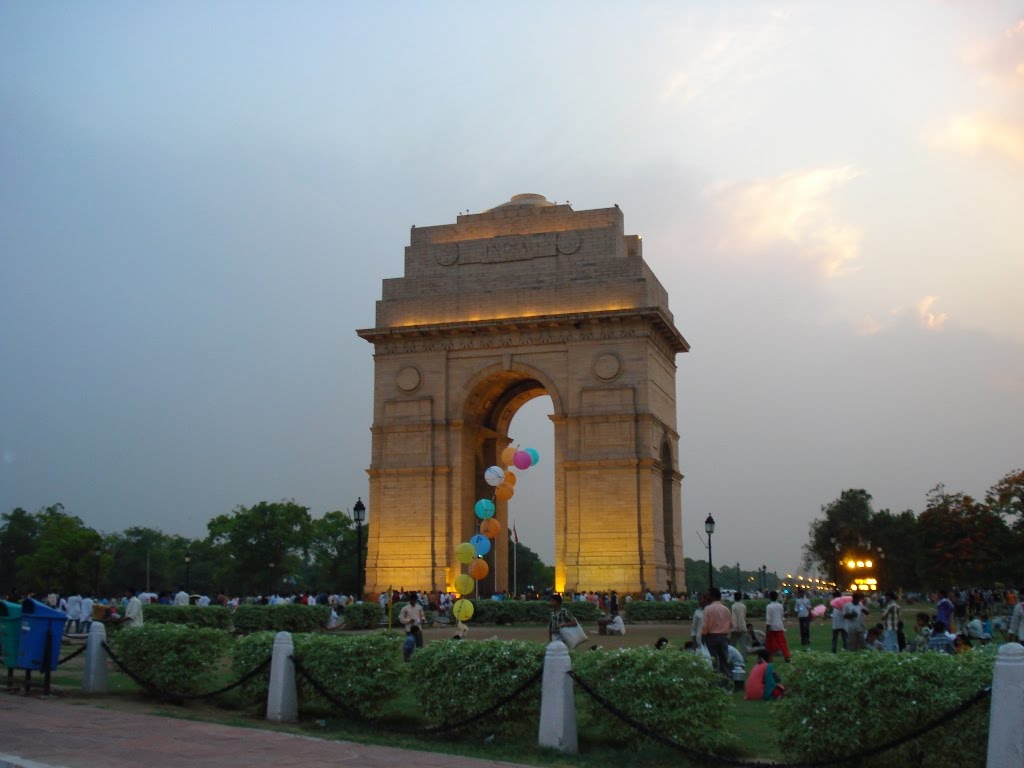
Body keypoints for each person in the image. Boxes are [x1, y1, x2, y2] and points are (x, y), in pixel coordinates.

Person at [701, 587, 733, 681]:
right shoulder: (726, 609)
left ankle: (715, 682)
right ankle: (727, 682)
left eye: (708, 595)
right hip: (723, 637)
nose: (707, 597)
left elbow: (705, 625)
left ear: (712, 596)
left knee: (714, 661)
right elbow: (731, 624)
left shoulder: (708, 609)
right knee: (724, 660)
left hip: (711, 637)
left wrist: (703, 635)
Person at [764, 591, 791, 662]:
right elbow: (782, 616)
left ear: (770, 597)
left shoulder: (769, 606)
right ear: (777, 597)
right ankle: (787, 656)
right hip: (779, 626)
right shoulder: (780, 606)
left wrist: (767, 629)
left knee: (769, 644)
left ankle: (769, 658)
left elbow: (768, 619)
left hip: (772, 627)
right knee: (782, 643)